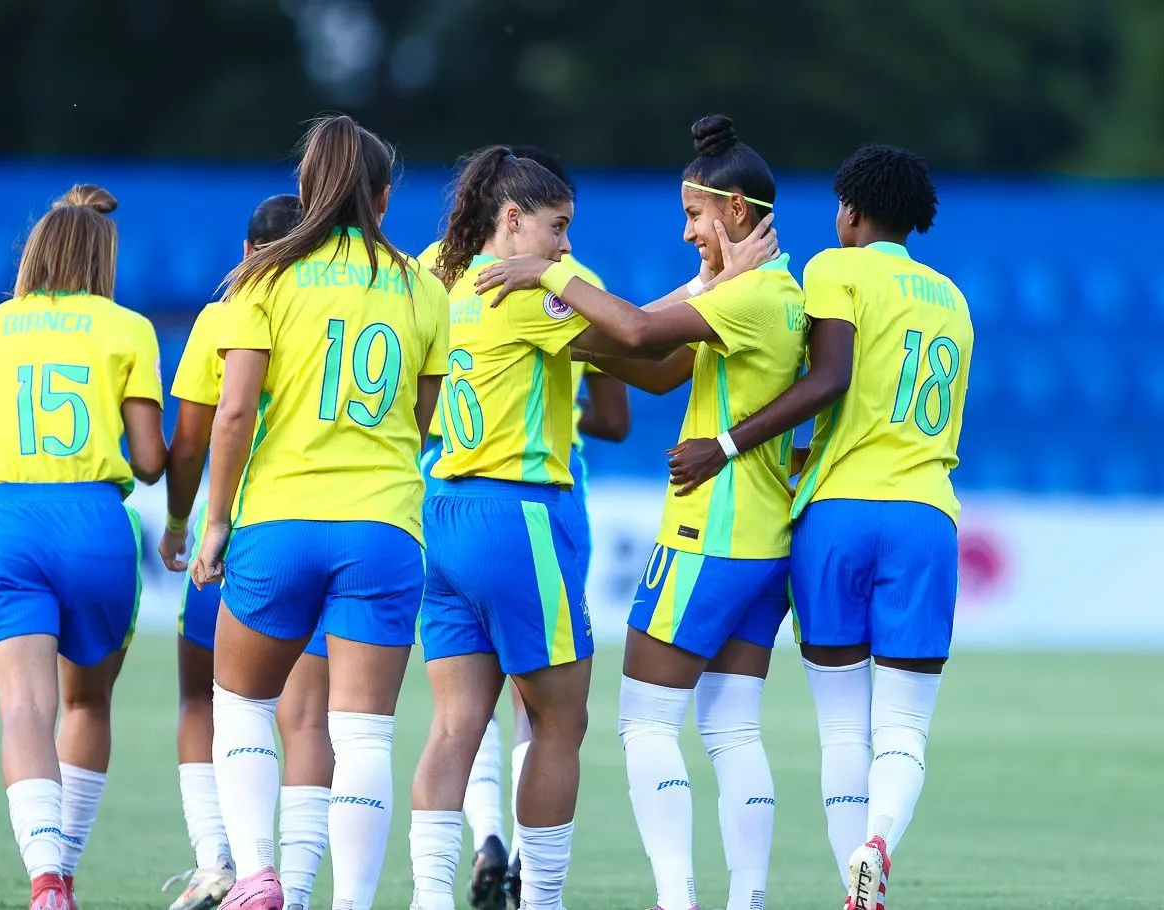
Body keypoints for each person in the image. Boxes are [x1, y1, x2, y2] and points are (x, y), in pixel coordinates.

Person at [473, 114, 799, 910]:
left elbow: (646, 333)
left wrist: (549, 278)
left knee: (646, 724)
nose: (687, 232)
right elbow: (657, 371)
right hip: (765, 543)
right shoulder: (779, 294)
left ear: (735, 212)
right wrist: (567, 338)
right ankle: (745, 900)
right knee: (732, 731)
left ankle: (676, 899)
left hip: (706, 535)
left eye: (695, 215)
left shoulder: (747, 294)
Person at [673, 144, 971, 910]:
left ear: (851, 211)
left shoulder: (835, 269)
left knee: (844, 728)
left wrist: (732, 441)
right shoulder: (952, 300)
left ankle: (854, 881)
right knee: (903, 729)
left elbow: (829, 378)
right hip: (925, 518)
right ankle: (877, 849)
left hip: (836, 517)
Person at [188, 114, 447, 910]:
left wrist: (217, 519)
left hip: (280, 520)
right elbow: (423, 417)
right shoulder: (424, 287)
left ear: (305, 190)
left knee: (241, 705)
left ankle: (258, 876)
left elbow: (232, 414)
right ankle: (350, 903)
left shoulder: (263, 278)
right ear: (383, 196)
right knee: (364, 732)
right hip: (384, 527)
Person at [416, 144, 629, 910]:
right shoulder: (548, 289)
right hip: (525, 512)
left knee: (452, 724)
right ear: (512, 219)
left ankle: (430, 898)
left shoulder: (430, 271)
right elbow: (639, 356)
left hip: (439, 507)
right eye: (558, 225)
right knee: (556, 720)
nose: (566, 243)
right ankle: (541, 901)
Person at [0, 184, 167, 910]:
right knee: (87, 706)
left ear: (34, 251)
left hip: (5, 524)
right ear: (104, 255)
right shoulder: (129, 328)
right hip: (95, 525)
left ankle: (44, 884)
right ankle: (66, 870)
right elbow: (146, 461)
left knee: (24, 711)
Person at [156, 194, 333, 910]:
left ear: (244, 251)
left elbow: (195, 437)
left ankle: (218, 863)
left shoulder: (229, 312)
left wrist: (180, 523)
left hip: (242, 536)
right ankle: (297, 881)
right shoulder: (336, 305)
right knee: (310, 718)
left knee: (205, 697)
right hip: (340, 526)